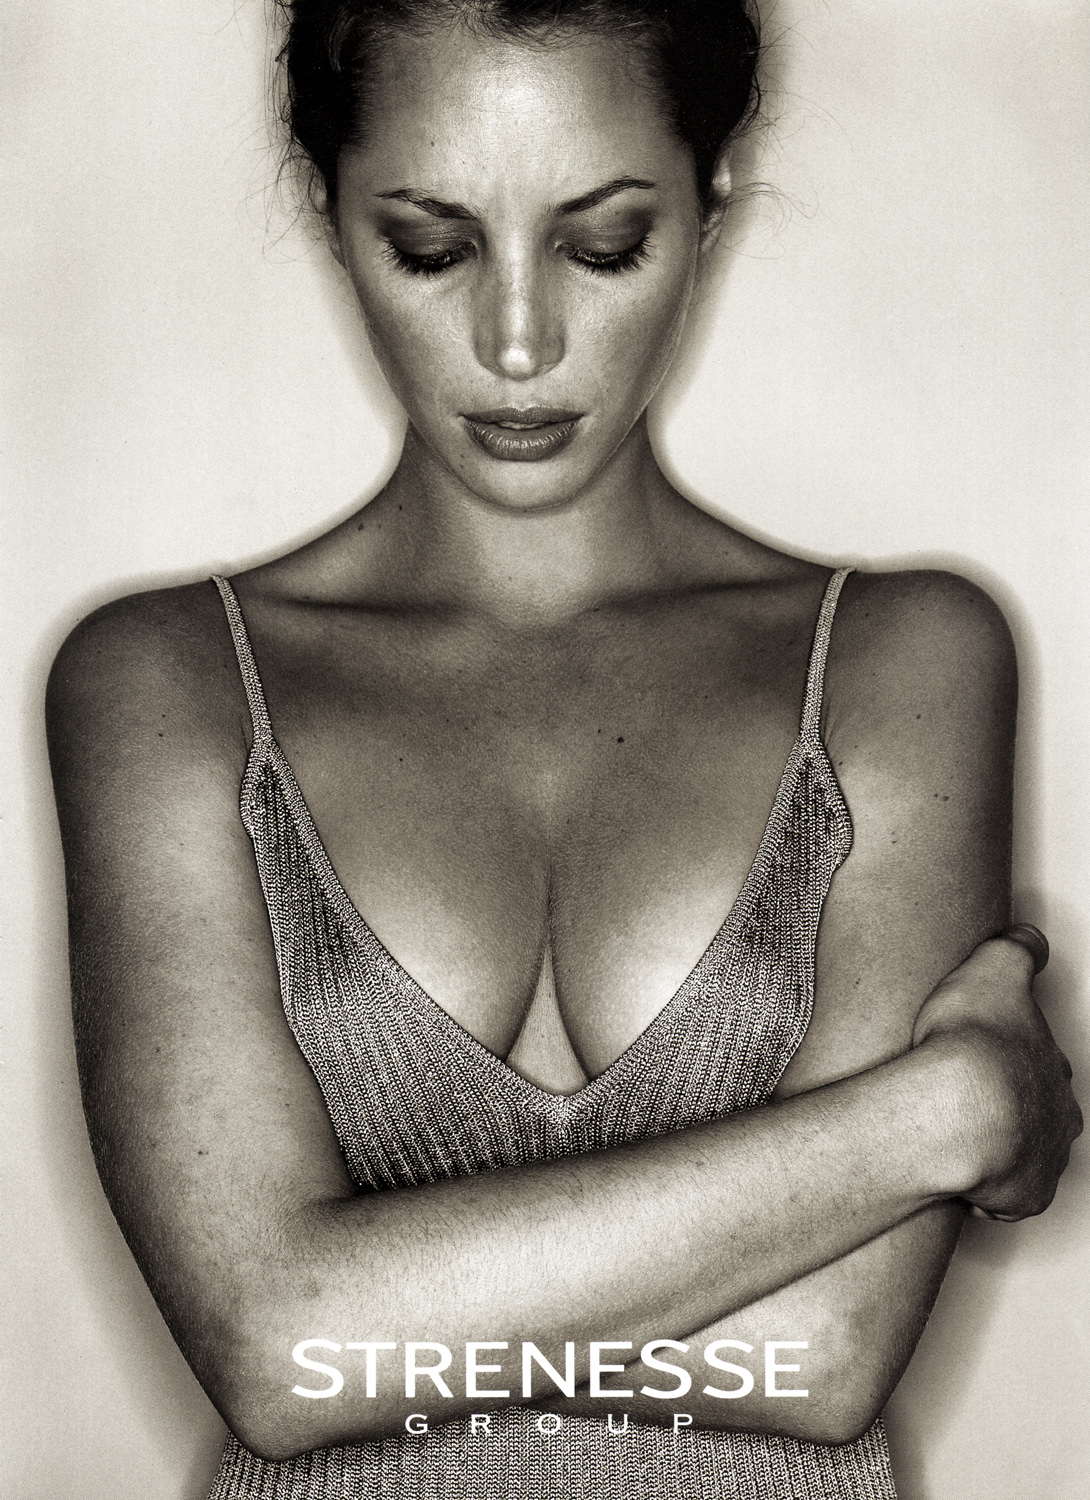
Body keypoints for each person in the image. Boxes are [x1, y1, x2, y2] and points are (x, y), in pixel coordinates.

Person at [44, 2, 1080, 1498]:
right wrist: (943, 1115)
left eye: (602, 245)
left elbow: (824, 1354)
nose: (517, 342)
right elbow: (271, 1354)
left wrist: (369, 1317)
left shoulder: (899, 660)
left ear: (709, 200)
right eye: (431, 247)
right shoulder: (166, 685)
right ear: (330, 211)